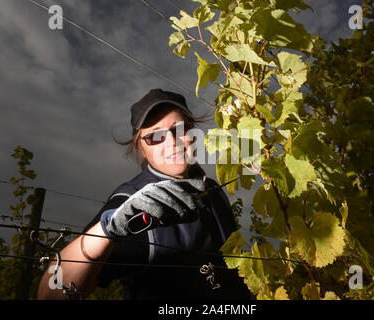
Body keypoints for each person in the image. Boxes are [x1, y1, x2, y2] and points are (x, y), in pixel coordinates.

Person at [37, 89, 250, 300]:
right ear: (141, 147)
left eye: (180, 129)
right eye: (155, 136)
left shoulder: (211, 187)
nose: (172, 142)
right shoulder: (131, 202)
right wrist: (108, 229)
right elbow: (49, 295)